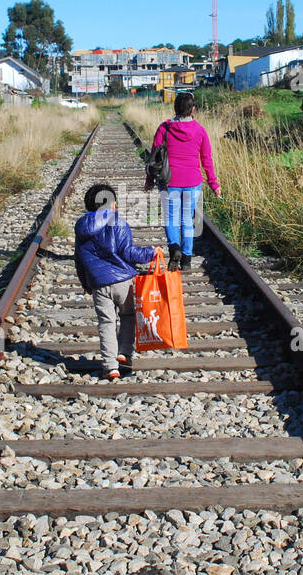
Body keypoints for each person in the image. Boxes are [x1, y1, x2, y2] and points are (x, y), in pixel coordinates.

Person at [73, 183, 158, 380]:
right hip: (123, 282)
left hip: (99, 283)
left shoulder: (81, 228)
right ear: (112, 204)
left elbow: (78, 259)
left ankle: (110, 367)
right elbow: (129, 253)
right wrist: (151, 252)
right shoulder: (118, 223)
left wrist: (85, 282)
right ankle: (124, 353)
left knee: (106, 323)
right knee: (128, 316)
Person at [151, 92, 221, 270]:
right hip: (192, 182)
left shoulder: (164, 128)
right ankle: (187, 259)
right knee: (187, 220)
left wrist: (149, 179)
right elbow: (207, 160)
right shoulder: (200, 131)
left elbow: (154, 157)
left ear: (175, 108)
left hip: (170, 181)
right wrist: (214, 184)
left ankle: (175, 247)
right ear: (193, 109)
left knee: (172, 218)